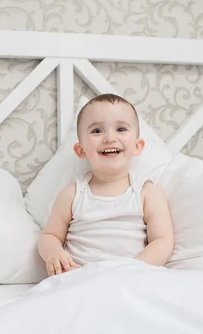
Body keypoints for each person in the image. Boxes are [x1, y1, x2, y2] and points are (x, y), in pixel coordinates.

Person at [38, 93, 174, 276]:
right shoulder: (72, 194)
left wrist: (132, 269)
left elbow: (162, 241)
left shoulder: (146, 193)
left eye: (121, 129)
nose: (110, 138)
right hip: (80, 277)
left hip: (131, 276)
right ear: (81, 150)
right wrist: (54, 252)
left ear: (137, 146)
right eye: (97, 131)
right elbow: (50, 236)